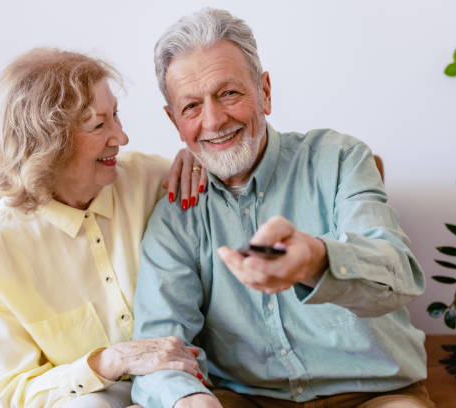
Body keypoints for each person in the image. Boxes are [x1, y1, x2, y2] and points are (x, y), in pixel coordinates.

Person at [131, 8, 434, 408]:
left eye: (229, 93)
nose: (214, 120)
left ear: (265, 91)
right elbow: (160, 344)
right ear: (174, 121)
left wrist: (316, 260)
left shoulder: (339, 159)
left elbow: (398, 276)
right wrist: (189, 400)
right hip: (244, 398)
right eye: (191, 107)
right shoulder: (177, 212)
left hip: (371, 394)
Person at [0, 48, 208, 408]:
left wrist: (199, 158)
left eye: (116, 115)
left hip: (166, 385)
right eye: (98, 124)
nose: (121, 137)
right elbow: (14, 390)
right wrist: (109, 361)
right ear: (47, 142)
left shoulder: (153, 180)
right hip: (80, 396)